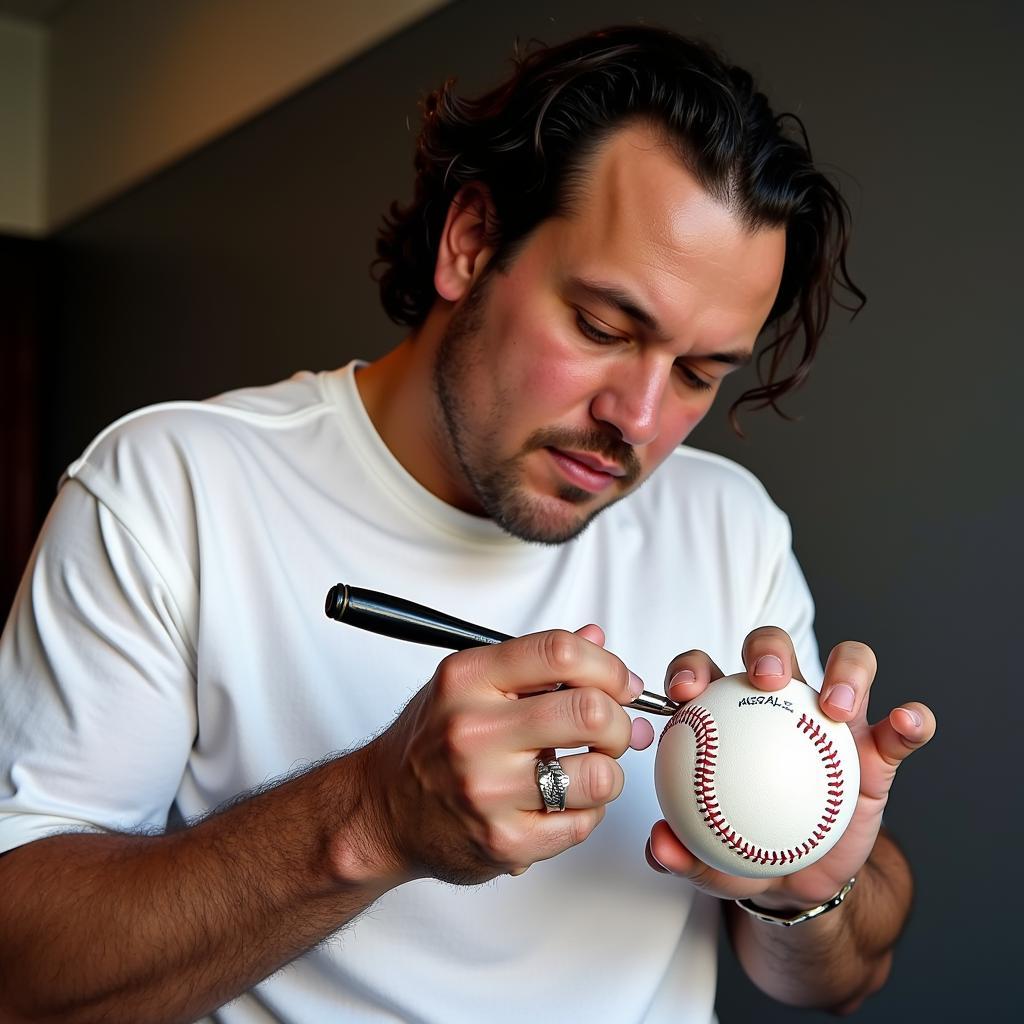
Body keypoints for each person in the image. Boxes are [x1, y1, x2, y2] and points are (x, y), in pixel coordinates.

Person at [0, 24, 934, 1024]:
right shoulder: (170, 486)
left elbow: (838, 978)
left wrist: (810, 888)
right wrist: (370, 818)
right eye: (602, 328)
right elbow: (21, 976)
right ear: (471, 242)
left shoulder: (727, 522)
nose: (640, 419)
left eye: (699, 373)